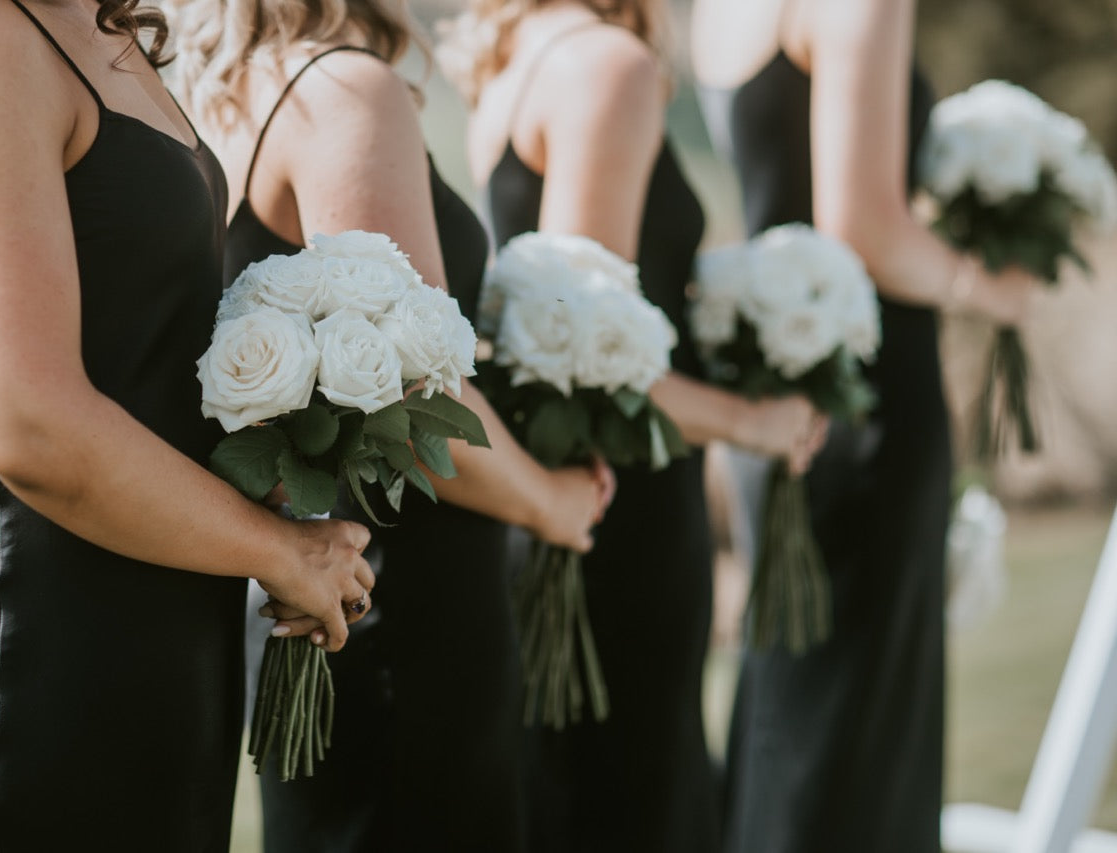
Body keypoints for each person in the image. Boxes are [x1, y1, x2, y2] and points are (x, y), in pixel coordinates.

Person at [0, 0, 380, 849]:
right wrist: (279, 553)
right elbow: (26, 420)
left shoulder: (90, 22)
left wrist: (276, 462)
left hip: (160, 592)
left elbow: (138, 343)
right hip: (40, 615)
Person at [163, 1, 616, 849]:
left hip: (315, 590)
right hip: (408, 607)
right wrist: (551, 501)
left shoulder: (215, 100)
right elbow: (415, 404)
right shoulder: (345, 92)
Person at [446, 0, 828, 848]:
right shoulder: (607, 66)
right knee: (637, 800)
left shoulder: (513, 57)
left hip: (558, 503)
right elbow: (590, 361)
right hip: (623, 510)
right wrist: (753, 421)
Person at [689, 0, 1041, 850]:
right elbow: (866, 230)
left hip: (774, 409)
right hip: (866, 407)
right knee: (868, 743)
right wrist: (990, 288)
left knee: (791, 724)